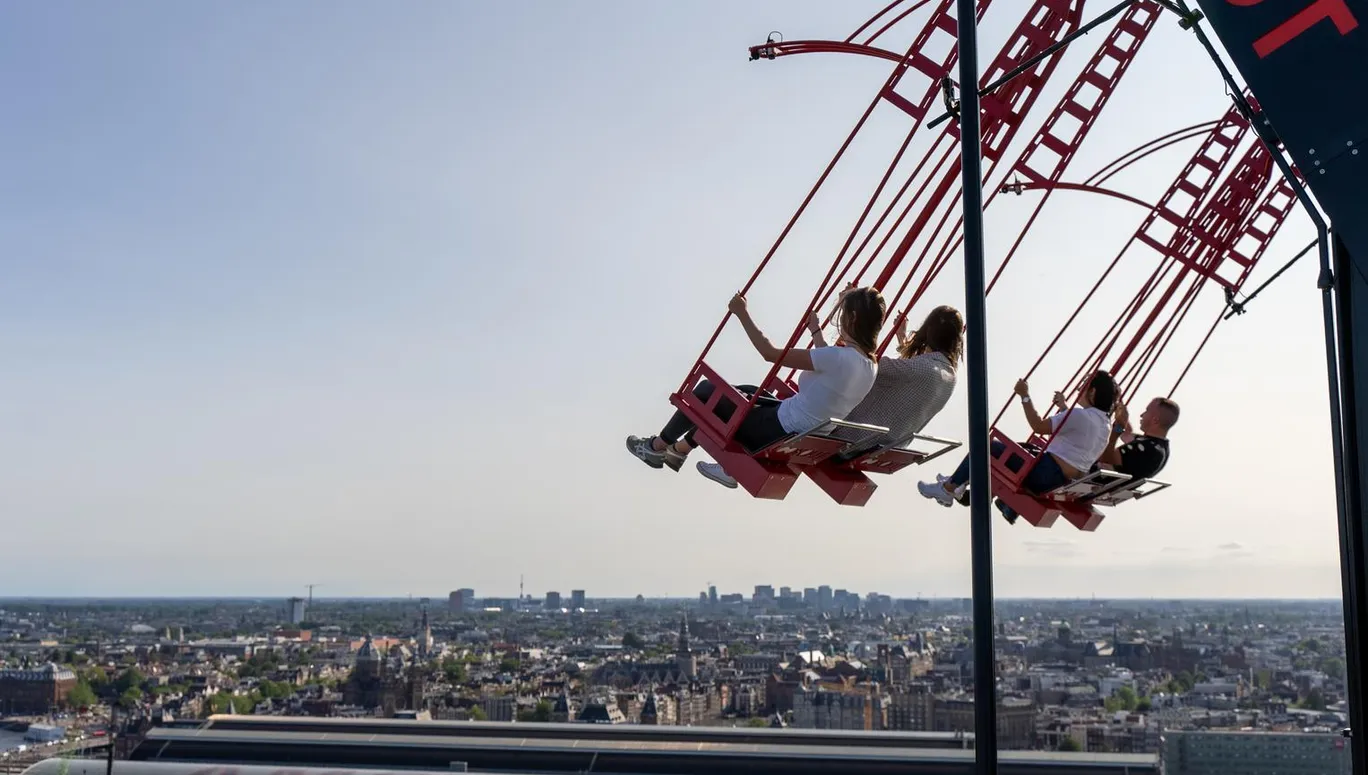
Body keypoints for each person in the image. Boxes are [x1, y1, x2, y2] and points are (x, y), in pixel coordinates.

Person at [626, 287, 887, 488]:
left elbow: (769, 353)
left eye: (842, 313)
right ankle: (680, 451)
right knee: (748, 391)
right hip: (797, 432)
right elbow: (831, 364)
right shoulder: (868, 365)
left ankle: (656, 447)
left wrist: (742, 313)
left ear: (852, 318)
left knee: (707, 392)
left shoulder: (839, 358)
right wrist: (816, 331)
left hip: (773, 430)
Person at [916, 370, 1117, 520]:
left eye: (1084, 384)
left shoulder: (1080, 416)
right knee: (1023, 448)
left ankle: (949, 489)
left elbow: (1038, 425)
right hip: (1060, 479)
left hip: (1045, 473)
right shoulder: (1104, 424)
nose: (1079, 388)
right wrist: (1064, 407)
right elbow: (1078, 436)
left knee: (988, 447)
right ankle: (959, 482)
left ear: (1092, 392)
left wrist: (1024, 395)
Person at [829, 305, 964, 451]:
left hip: (853, 436)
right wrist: (902, 337)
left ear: (929, 331)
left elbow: (864, 362)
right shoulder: (950, 376)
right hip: (887, 446)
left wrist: (851, 314)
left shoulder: (921, 369)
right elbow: (910, 376)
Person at [1097, 396, 1179, 479]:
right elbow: (1127, 434)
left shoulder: (1146, 449)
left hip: (1094, 481)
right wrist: (1119, 405)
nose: (1141, 415)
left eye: (1147, 411)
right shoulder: (1158, 445)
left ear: (1155, 420)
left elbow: (1106, 459)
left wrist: (1114, 434)